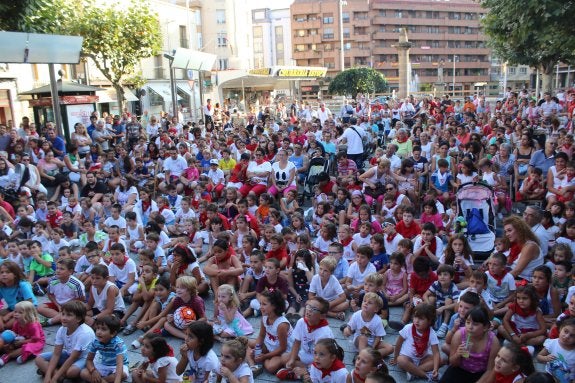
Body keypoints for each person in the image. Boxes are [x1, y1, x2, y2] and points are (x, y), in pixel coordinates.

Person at [35, 301, 96, 382]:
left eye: (69, 315)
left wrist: (54, 378)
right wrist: (48, 376)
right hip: (69, 354)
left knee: (71, 372)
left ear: (78, 319)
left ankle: (56, 374)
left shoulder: (84, 333)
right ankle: (60, 377)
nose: (63, 318)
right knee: (39, 359)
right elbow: (56, 354)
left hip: (84, 358)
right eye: (63, 314)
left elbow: (72, 358)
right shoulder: (62, 329)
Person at [439, 306, 500, 383]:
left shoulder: (493, 341)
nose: (470, 327)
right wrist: (458, 354)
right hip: (460, 369)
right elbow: (454, 363)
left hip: (480, 373)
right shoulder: (460, 334)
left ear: (485, 327)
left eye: (475, 324)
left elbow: (490, 370)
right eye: (468, 322)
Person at [248, 289, 294, 375]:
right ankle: (253, 366)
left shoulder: (281, 325)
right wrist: (257, 349)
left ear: (274, 306)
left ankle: (261, 360)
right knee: (245, 343)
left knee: (271, 367)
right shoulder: (264, 317)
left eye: (264, 304)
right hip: (269, 344)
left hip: (281, 351)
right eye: (260, 303)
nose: (261, 307)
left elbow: (282, 348)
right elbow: (261, 336)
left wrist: (264, 356)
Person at [391, 303, 441, 381]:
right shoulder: (408, 328)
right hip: (407, 359)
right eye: (415, 317)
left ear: (430, 321)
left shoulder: (431, 333)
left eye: (421, 318)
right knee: (400, 360)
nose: (417, 321)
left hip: (421, 359)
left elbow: (436, 353)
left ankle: (413, 372)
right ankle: (426, 375)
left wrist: (435, 369)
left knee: (441, 360)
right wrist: (395, 358)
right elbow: (398, 343)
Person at [80, 316, 129, 383]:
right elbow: (89, 360)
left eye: (103, 329)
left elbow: (119, 365)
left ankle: (100, 381)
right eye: (97, 328)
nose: (99, 332)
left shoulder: (118, 344)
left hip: (117, 366)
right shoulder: (95, 342)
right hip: (104, 364)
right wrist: (93, 371)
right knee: (83, 373)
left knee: (123, 374)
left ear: (112, 333)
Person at [0, 301, 45, 366]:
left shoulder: (33, 325)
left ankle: (8, 356)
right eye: (15, 311)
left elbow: (36, 339)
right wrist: (10, 342)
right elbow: (14, 333)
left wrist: (22, 342)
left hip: (35, 342)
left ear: (28, 314)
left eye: (20, 312)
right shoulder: (16, 322)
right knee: (8, 345)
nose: (16, 314)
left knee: (27, 347)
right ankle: (23, 355)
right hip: (22, 339)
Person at [504, 216, 544, 282]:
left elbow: (516, 271)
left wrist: (499, 281)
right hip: (514, 276)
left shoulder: (530, 246)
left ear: (519, 229)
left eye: (509, 230)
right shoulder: (518, 244)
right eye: (506, 231)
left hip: (523, 282)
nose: (507, 234)